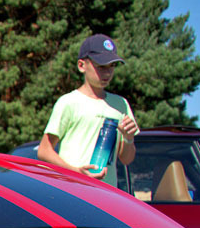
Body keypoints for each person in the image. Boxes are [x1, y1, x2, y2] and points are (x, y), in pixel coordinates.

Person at [37, 34, 140, 181]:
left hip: (106, 192)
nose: (107, 73)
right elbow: (44, 151)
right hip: (73, 189)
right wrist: (76, 172)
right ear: (81, 65)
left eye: (112, 66)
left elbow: (126, 159)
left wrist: (129, 138)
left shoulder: (121, 104)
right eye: (101, 67)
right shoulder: (68, 102)